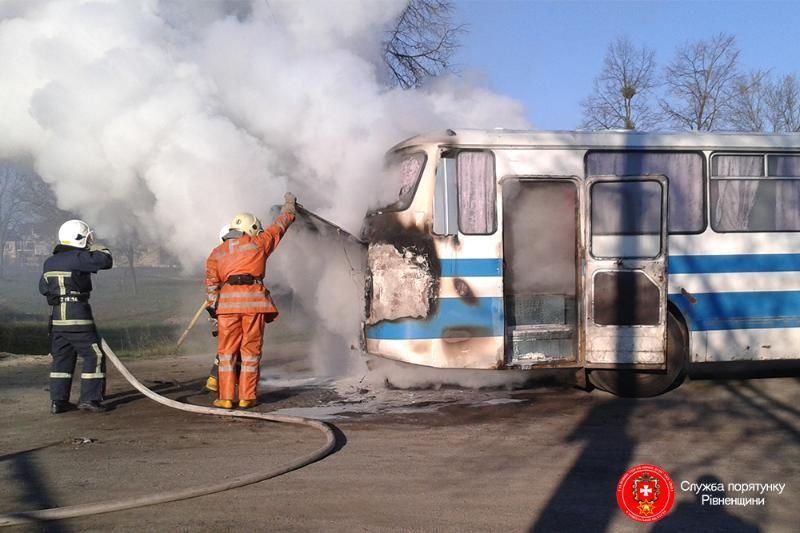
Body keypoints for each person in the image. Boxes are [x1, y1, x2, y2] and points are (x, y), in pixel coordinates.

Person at [205, 193, 296, 409]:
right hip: (253, 304)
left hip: (227, 307)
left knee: (226, 353)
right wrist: (289, 209)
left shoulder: (216, 252)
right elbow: (278, 229)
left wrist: (213, 311)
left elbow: (211, 286)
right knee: (250, 352)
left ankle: (226, 398)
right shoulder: (258, 243)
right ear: (251, 228)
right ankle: (247, 397)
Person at [39, 219, 113, 414]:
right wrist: (99, 247)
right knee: (94, 355)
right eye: (87, 238)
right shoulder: (79, 257)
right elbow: (106, 261)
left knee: (62, 359)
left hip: (57, 319)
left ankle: (58, 401)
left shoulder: (49, 262)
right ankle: (90, 399)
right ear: (80, 238)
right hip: (78, 316)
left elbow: (43, 288)